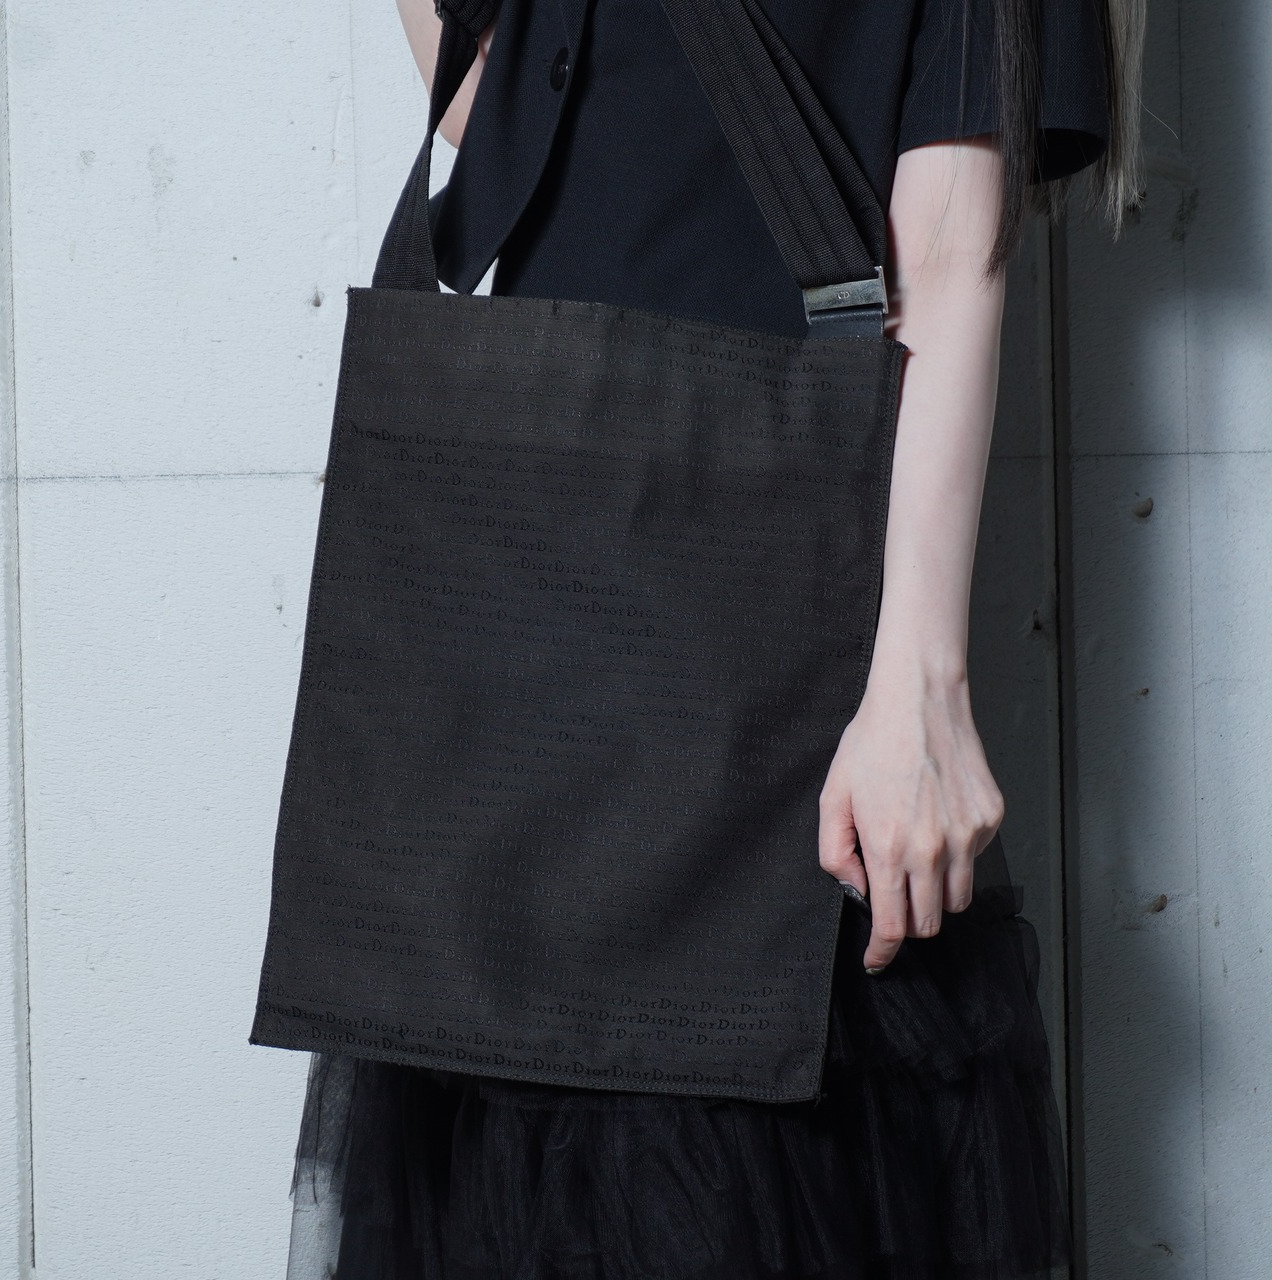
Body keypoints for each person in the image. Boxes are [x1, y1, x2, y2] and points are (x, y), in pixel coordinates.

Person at [280, 1, 1140, 1276]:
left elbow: (951, 246)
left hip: (769, 677)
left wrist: (918, 686)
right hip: (516, 672)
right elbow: (488, 102)